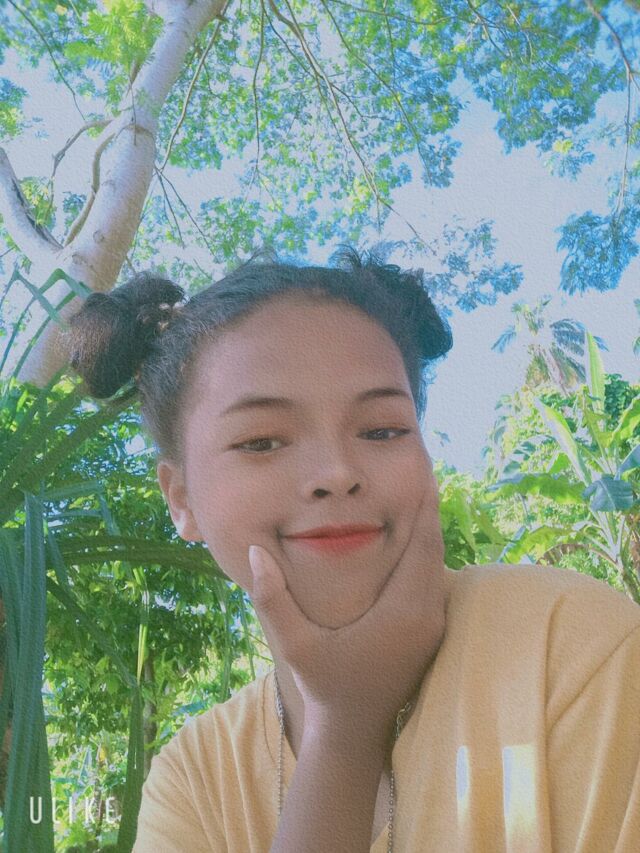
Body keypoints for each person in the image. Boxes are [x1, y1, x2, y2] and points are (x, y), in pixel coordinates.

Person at [64, 247, 640, 852]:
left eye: (382, 430)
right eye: (262, 441)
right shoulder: (195, 778)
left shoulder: (574, 646)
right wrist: (345, 728)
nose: (337, 473)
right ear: (181, 498)